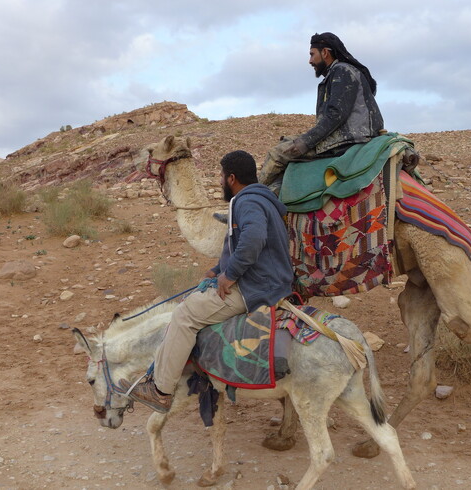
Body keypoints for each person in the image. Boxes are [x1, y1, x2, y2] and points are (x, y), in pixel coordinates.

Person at [122, 150, 294, 412]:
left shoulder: (246, 202)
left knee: (184, 315)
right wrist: (217, 270)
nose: (219, 181)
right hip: (266, 280)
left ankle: (161, 390)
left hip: (255, 287)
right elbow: (246, 245)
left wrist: (230, 275)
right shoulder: (262, 199)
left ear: (232, 178)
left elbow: (254, 238)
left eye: (221, 176)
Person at [258, 32, 385, 194]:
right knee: (287, 150)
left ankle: (245, 201)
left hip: (351, 139)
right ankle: (267, 200)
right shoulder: (338, 73)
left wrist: (306, 142)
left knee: (277, 154)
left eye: (312, 54)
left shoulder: (342, 72)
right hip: (350, 136)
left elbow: (335, 115)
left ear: (325, 52)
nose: (310, 61)